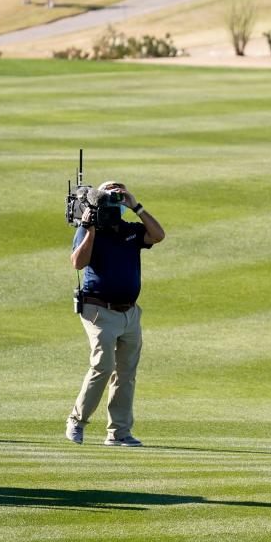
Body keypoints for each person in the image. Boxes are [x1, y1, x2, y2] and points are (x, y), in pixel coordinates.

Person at [65, 181, 165, 447]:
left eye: (117, 199)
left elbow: (158, 235)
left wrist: (136, 206)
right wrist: (90, 228)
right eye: (109, 198)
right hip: (99, 310)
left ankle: (119, 433)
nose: (114, 204)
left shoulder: (129, 230)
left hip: (130, 313)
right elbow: (78, 262)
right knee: (103, 366)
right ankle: (77, 421)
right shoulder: (88, 229)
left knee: (126, 373)